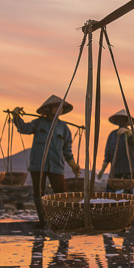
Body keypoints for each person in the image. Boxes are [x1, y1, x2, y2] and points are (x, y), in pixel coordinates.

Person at [11, 95, 81, 228]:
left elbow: (67, 150)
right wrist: (16, 117)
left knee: (61, 194)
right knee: (39, 193)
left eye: (61, 108)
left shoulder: (64, 128)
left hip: (56, 165)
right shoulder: (38, 123)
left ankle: (64, 221)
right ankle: (43, 220)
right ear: (49, 108)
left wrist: (73, 165)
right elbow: (23, 129)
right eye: (56, 107)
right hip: (38, 165)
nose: (59, 110)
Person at [96, 109, 134, 191]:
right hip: (115, 169)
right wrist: (103, 168)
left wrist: (128, 133)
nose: (121, 122)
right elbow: (108, 153)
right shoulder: (112, 135)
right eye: (119, 120)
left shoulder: (133, 132)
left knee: (128, 192)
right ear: (117, 121)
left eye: (124, 120)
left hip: (128, 169)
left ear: (127, 122)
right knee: (109, 191)